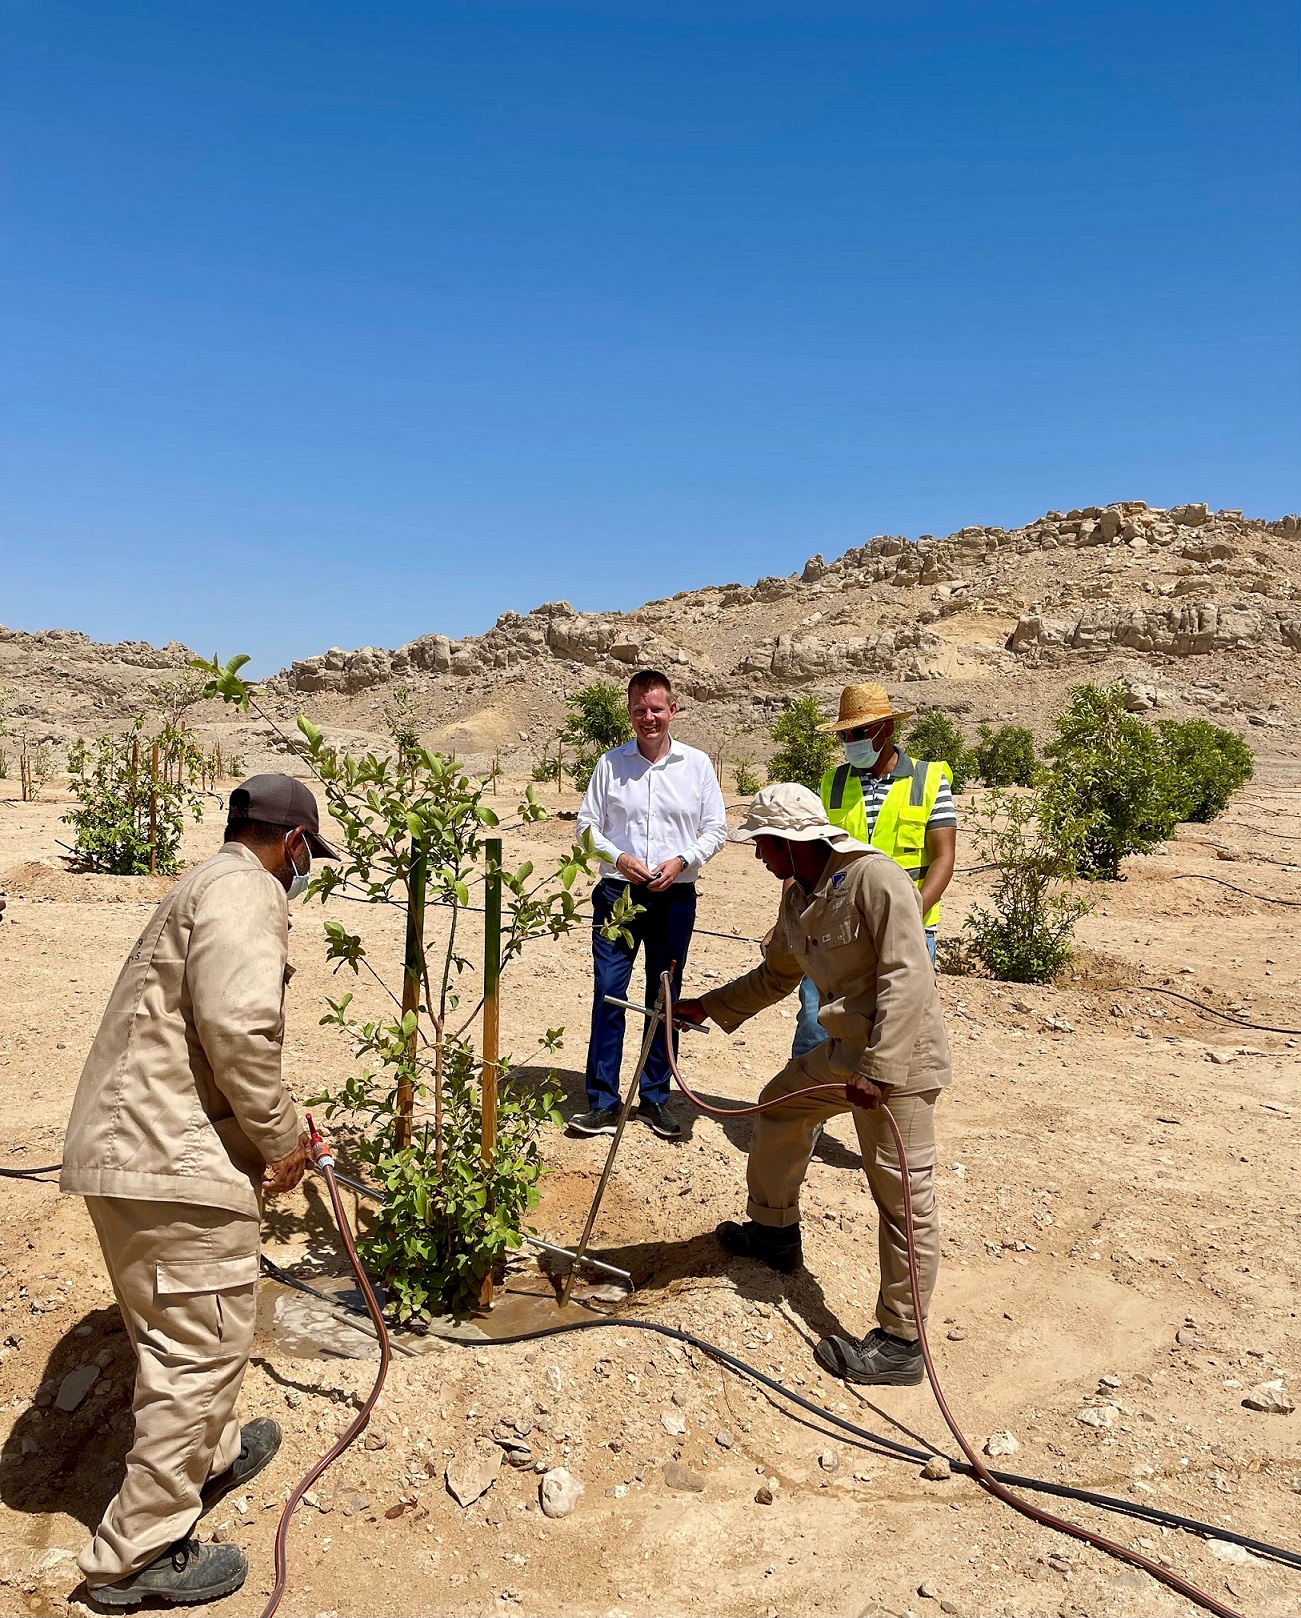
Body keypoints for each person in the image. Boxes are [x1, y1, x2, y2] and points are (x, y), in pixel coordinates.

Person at [59, 775, 339, 1608]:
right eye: (305, 858)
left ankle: (210, 1460)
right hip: (172, 1160)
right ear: (294, 843)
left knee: (192, 1329)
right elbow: (238, 1030)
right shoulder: (249, 891)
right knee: (195, 1353)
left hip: (133, 1151)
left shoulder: (202, 881)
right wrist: (285, 1142)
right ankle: (135, 1557)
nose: (301, 872)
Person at [675, 782, 952, 1386]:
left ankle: (902, 1342)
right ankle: (774, 1233)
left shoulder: (876, 879)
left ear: (792, 840)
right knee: (778, 1107)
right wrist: (707, 1007)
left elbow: (908, 975)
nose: (757, 854)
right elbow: (777, 974)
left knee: (902, 1196)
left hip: (899, 1060)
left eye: (763, 843)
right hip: (844, 1052)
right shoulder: (798, 893)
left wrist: (880, 1069)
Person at [572, 669, 727, 1140]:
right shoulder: (609, 764)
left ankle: (656, 1097)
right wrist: (619, 857)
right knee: (609, 991)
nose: (648, 717)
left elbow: (715, 830)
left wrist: (682, 861)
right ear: (629, 712)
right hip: (618, 895)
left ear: (672, 710)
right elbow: (586, 827)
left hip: (674, 896)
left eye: (656, 708)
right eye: (639, 709)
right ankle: (603, 1101)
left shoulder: (697, 765)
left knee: (665, 996)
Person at [790, 682, 957, 1060]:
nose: (850, 742)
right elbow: (808, 858)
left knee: (897, 1036)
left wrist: (908, 915)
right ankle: (807, 1099)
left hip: (908, 929)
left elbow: (943, 859)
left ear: (887, 729)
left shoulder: (930, 780)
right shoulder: (832, 783)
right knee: (816, 1026)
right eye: (845, 735)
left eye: (859, 733)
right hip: (836, 929)